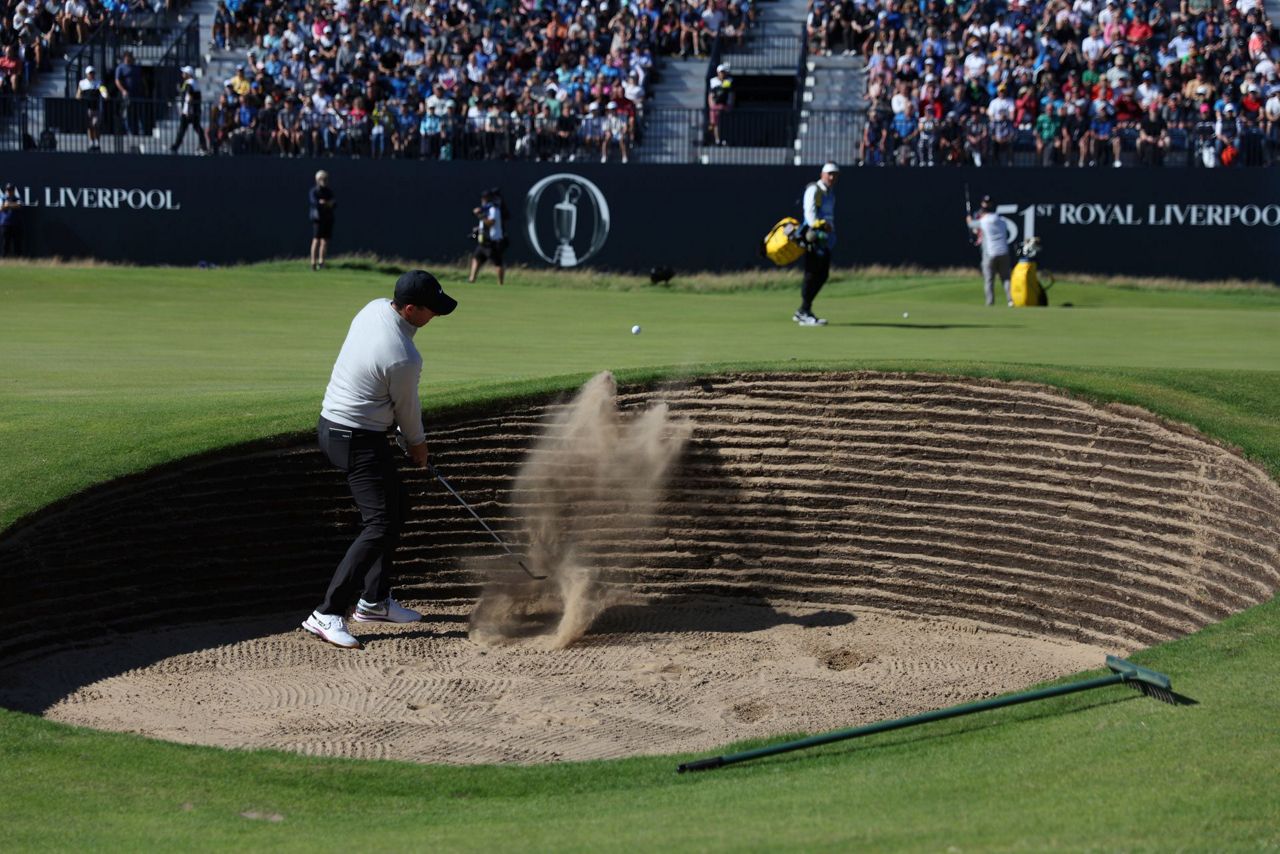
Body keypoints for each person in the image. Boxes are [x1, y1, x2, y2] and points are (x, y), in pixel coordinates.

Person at [304, 270, 458, 649]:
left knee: (396, 507)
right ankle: (326, 613)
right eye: (430, 310)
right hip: (353, 437)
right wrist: (417, 446)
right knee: (379, 522)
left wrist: (407, 438)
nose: (435, 315)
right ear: (409, 309)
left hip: (342, 427)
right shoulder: (403, 356)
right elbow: (408, 413)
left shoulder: (374, 307)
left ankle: (373, 602)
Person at [795, 162, 837, 326]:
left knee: (822, 274)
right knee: (812, 273)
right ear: (822, 175)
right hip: (812, 237)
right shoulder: (814, 189)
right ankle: (804, 311)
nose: (832, 178)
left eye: (835, 175)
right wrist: (820, 226)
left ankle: (804, 309)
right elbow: (810, 215)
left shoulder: (831, 194)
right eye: (829, 174)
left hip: (825, 239)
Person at [966, 195, 1012, 307]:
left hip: (990, 254)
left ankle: (990, 302)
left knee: (989, 280)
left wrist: (969, 219)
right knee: (1006, 278)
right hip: (1004, 253)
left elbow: (971, 224)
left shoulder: (984, 221)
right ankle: (1011, 301)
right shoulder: (1002, 221)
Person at [468, 188, 508, 285]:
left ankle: (500, 284)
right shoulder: (486, 209)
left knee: (497, 263)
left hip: (492, 242)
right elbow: (485, 223)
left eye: (485, 198)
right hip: (483, 242)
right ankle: (472, 280)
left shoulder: (493, 209)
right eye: (483, 198)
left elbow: (491, 222)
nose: (483, 200)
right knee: (476, 258)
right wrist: (478, 228)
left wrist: (479, 215)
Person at [170, 66, 208, 154]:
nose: (182, 74)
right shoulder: (195, 83)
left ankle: (175, 147)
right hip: (194, 111)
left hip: (189, 112)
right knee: (197, 128)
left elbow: (189, 97)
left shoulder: (189, 83)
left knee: (183, 130)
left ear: (188, 74)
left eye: (184, 73)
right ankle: (204, 146)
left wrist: (188, 111)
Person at [309, 170, 336, 270]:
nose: (323, 181)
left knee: (324, 241)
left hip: (327, 219)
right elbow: (314, 202)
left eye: (325, 179)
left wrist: (327, 203)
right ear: (317, 180)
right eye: (321, 179)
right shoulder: (314, 191)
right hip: (318, 219)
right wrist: (322, 203)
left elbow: (334, 203)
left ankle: (321, 262)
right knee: (316, 240)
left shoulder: (329, 192)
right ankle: (313, 262)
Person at [113, 50, 144, 136]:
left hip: (137, 94)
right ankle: (129, 132)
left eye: (130, 57)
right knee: (127, 114)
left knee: (137, 113)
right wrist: (123, 90)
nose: (129, 59)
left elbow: (141, 79)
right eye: (127, 57)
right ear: (124, 58)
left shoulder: (136, 67)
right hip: (127, 95)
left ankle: (137, 131)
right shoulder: (120, 68)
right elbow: (117, 81)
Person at [77, 66, 106, 151]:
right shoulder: (82, 83)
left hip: (96, 108)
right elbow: (78, 94)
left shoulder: (98, 83)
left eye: (93, 73)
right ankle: (91, 142)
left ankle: (97, 141)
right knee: (90, 126)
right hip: (88, 108)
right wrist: (79, 96)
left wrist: (105, 94)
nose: (92, 75)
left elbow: (103, 90)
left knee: (95, 125)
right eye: (90, 73)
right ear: (87, 74)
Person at [707, 62, 733, 146]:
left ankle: (724, 139)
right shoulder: (713, 81)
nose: (722, 74)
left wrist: (730, 104)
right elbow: (711, 95)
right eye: (721, 72)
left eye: (723, 72)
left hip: (724, 105)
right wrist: (711, 105)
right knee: (714, 124)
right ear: (718, 72)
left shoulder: (728, 81)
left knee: (723, 123)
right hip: (715, 106)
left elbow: (730, 93)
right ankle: (717, 140)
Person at [0, 183, 21, 257]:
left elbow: (18, 205)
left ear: (13, 190)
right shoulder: (3, 198)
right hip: (5, 224)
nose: (9, 191)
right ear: (6, 190)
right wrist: (7, 205)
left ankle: (18, 259)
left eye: (11, 190)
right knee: (5, 243)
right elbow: (1, 208)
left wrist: (8, 205)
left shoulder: (17, 198)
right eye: (8, 190)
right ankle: (4, 258)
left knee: (17, 243)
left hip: (15, 224)